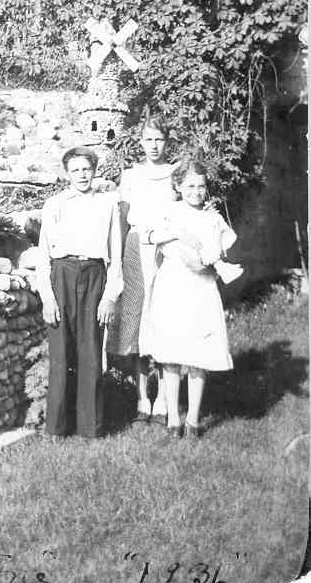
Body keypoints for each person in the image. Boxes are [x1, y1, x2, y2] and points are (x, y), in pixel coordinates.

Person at [139, 159, 238, 439]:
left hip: (201, 288)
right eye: (190, 186)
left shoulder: (212, 218)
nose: (196, 191)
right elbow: (146, 235)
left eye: (201, 186)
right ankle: (173, 418)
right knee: (171, 355)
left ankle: (193, 420)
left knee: (198, 355)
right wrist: (174, 232)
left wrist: (212, 261)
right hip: (172, 286)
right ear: (178, 187)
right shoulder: (169, 212)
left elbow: (222, 250)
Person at [36, 146, 123, 438]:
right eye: (75, 170)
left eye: (86, 168)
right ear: (66, 174)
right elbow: (43, 256)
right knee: (61, 353)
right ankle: (57, 428)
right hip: (62, 275)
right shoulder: (55, 205)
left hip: (94, 275)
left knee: (90, 352)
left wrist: (110, 296)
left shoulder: (107, 204)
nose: (82, 175)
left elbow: (116, 254)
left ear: (94, 170)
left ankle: (90, 428)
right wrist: (48, 298)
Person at [107, 112, 178, 425]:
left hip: (167, 249)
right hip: (136, 249)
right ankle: (142, 399)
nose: (154, 145)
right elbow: (122, 221)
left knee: (162, 320)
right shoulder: (131, 176)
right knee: (137, 320)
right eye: (148, 139)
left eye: (159, 139)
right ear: (140, 141)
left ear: (167, 141)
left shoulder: (175, 174)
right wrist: (118, 261)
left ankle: (163, 399)